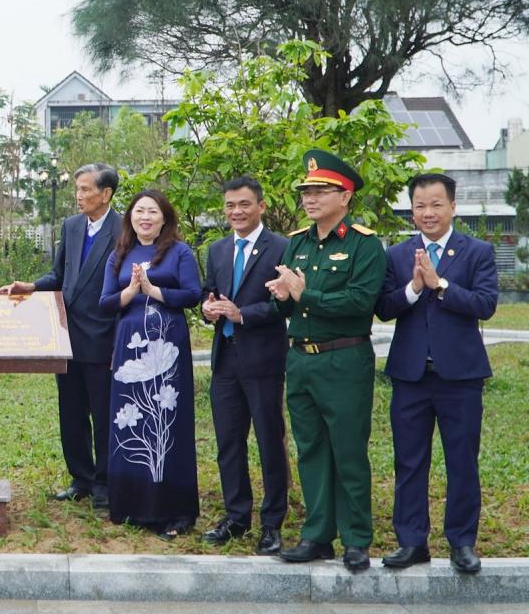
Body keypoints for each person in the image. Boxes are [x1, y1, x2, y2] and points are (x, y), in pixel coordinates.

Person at [266, 149, 385, 572]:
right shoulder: (297, 242)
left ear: (345, 196)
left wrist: (304, 294)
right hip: (300, 360)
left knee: (348, 450)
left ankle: (356, 539)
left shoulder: (364, 245)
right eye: (306, 191)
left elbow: (359, 302)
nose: (310, 198)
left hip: (344, 359)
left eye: (320, 191)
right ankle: (318, 535)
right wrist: (282, 297)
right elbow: (291, 306)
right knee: (311, 449)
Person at [375, 172, 496, 574]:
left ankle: (462, 543)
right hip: (411, 376)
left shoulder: (476, 251)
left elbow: (485, 304)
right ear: (411, 209)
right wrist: (413, 286)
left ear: (453, 207)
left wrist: (439, 283)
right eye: (420, 206)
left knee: (462, 461)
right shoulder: (396, 254)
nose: (428, 213)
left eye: (436, 204)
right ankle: (412, 542)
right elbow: (385, 308)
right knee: (409, 462)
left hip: (460, 378)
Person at [0, 163, 121, 511]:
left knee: (103, 413)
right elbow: (59, 275)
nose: (79, 196)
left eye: (85, 190)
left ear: (106, 194)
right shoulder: (70, 227)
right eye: (77, 190)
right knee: (71, 412)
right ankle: (80, 478)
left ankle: (105, 484)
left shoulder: (123, 229)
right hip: (66, 336)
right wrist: (32, 286)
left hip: (103, 337)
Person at [98, 189, 201, 539]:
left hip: (167, 344)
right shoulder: (120, 253)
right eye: (139, 211)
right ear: (130, 217)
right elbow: (107, 301)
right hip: (129, 346)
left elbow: (192, 294)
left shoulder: (179, 251)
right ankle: (130, 504)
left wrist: (154, 290)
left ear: (164, 217)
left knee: (168, 422)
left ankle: (174, 510)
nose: (145, 217)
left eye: (152, 212)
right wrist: (132, 289)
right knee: (130, 423)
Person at [200, 177, 290, 554]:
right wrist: (206, 310)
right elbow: (209, 294)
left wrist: (243, 315)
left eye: (244, 204)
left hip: (263, 360)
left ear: (261, 206)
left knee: (270, 443)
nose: (236, 212)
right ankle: (237, 517)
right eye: (230, 206)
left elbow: (286, 304)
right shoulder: (218, 250)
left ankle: (272, 524)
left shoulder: (283, 248)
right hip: (225, 361)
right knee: (228, 444)